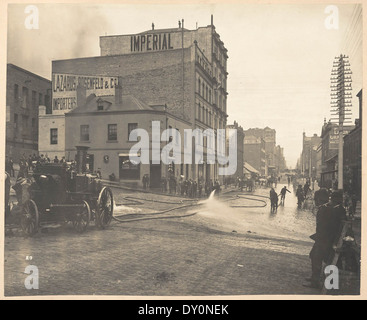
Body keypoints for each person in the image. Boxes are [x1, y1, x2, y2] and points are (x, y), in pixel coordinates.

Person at [305, 190, 347, 289]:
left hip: (324, 239)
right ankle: (324, 281)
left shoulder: (325, 209)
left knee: (316, 258)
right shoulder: (340, 210)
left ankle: (316, 282)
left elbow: (321, 226)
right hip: (333, 240)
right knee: (325, 259)